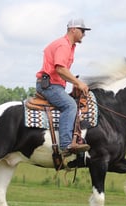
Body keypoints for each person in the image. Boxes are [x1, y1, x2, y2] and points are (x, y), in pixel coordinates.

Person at [36, 18, 91, 156]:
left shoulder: (69, 46)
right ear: (73, 29)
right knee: (70, 105)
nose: (84, 34)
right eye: (82, 31)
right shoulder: (63, 45)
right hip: (50, 86)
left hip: (56, 85)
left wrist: (73, 81)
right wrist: (78, 83)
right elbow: (60, 69)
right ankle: (66, 144)